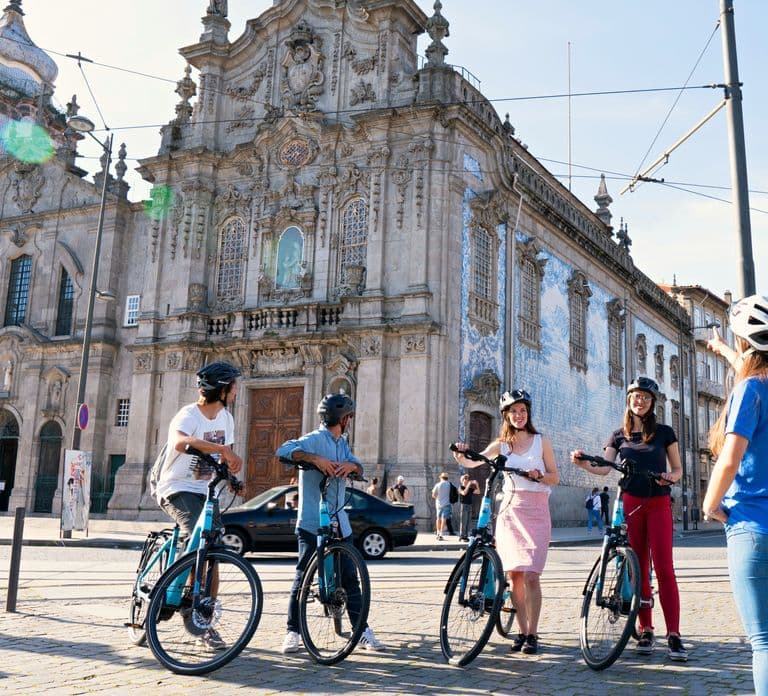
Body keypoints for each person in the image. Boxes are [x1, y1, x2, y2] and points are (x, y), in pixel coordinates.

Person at [571, 376, 688, 662]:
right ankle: (645, 629)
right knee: (637, 569)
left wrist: (668, 478)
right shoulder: (617, 435)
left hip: (658, 503)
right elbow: (604, 468)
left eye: (646, 398)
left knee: (664, 568)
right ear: (629, 399)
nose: (640, 401)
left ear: (652, 403)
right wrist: (582, 462)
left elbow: (678, 470)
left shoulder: (664, 432)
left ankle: (673, 634)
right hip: (631, 503)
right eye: (636, 396)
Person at [277, 393, 385, 655]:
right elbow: (283, 451)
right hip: (312, 522)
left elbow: (359, 468)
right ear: (345, 418)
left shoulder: (342, 442)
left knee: (350, 578)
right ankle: (293, 632)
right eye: (349, 417)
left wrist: (350, 466)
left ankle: (361, 632)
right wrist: (315, 460)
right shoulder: (314, 439)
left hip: (339, 520)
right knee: (302, 577)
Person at [453, 389, 559, 655]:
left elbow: (555, 477)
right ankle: (522, 632)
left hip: (536, 510)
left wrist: (539, 475)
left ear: (528, 413)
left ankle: (533, 633)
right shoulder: (501, 444)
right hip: (511, 511)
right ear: (506, 416)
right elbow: (473, 460)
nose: (519, 415)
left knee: (532, 575)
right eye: (514, 411)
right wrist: (460, 453)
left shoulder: (540, 441)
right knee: (515, 576)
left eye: (523, 411)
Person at [702, 295, 768, 696]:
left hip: (753, 527)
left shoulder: (749, 390)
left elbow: (729, 460)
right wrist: (725, 349)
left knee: (763, 640)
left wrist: (711, 504)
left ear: (744, 341)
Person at [155, 361, 243, 652]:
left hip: (204, 491)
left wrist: (231, 478)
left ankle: (203, 619)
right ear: (222, 388)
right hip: (175, 486)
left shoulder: (226, 419)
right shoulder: (189, 414)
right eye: (233, 385)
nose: (236, 390)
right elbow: (180, 443)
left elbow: (221, 460)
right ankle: (176, 597)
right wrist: (221, 450)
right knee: (196, 534)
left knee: (213, 549)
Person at [458, 473, 479, 541]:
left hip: (469, 505)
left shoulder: (470, 488)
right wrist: (469, 485)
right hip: (463, 505)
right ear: (462, 480)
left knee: (468, 522)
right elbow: (464, 493)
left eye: (467, 479)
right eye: (465, 479)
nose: (466, 480)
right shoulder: (460, 487)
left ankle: (466, 535)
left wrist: (476, 484)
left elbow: (478, 492)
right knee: (463, 521)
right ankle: (462, 536)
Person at [431, 472, 452, 540]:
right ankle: (441, 534)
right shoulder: (449, 484)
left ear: (441, 478)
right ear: (447, 478)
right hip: (447, 504)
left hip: (439, 504)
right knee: (444, 519)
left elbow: (433, 495)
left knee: (438, 518)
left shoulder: (438, 484)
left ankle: (438, 532)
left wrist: (438, 498)